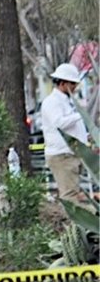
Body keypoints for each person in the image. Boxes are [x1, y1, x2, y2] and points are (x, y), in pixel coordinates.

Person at [41, 63, 89, 201]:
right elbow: (59, 123)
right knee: (70, 195)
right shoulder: (51, 102)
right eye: (72, 84)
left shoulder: (68, 102)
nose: (75, 87)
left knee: (74, 192)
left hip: (71, 153)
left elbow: (72, 126)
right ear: (62, 83)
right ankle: (73, 222)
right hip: (62, 155)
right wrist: (81, 114)